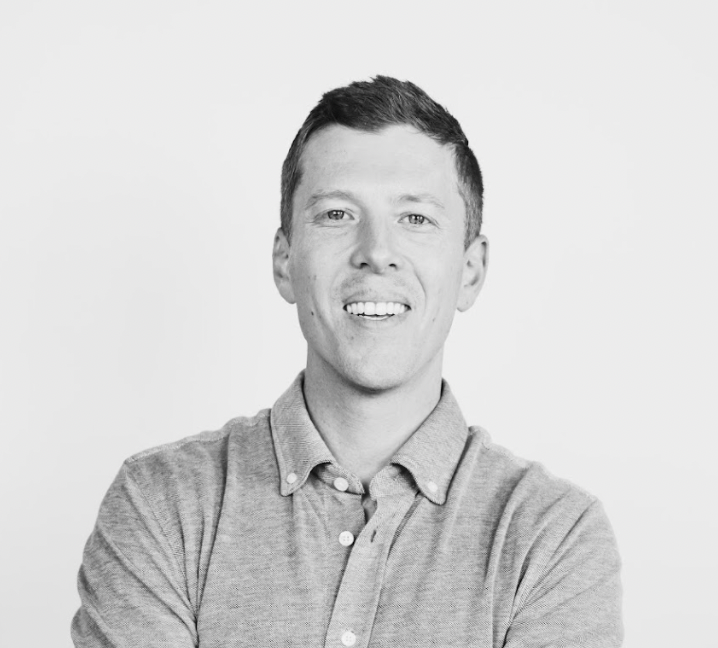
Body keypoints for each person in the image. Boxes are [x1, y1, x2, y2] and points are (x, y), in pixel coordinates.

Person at [72, 76, 623, 647]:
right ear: (285, 261)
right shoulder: (161, 504)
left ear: (471, 271)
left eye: (416, 219)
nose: (377, 252)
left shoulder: (552, 537)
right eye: (337, 214)